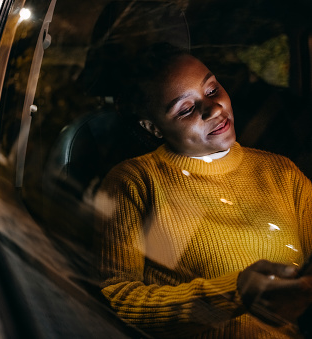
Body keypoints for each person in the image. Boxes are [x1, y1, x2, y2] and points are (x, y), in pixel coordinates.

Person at [95, 46, 312, 338]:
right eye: (186, 109)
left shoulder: (283, 173)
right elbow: (119, 298)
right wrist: (234, 294)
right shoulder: (134, 182)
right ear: (153, 127)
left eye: (212, 90)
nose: (213, 108)